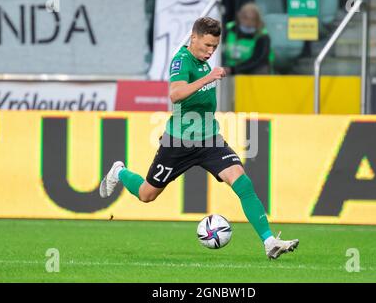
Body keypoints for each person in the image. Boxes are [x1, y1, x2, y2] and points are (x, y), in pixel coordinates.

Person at [99, 17, 299, 259]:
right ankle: (119, 171)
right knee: (146, 194)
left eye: (214, 46)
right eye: (206, 45)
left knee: (243, 183)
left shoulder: (205, 61)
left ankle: (269, 242)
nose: (210, 51)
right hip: (178, 143)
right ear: (193, 38)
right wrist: (208, 78)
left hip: (210, 140)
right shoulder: (182, 61)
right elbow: (175, 94)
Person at [223, 3, 274, 75]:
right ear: (239, 16)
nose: (248, 22)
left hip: (253, 72)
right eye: (245, 18)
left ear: (258, 21)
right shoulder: (228, 29)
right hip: (229, 70)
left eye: (253, 19)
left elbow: (258, 60)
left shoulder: (263, 36)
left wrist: (233, 70)